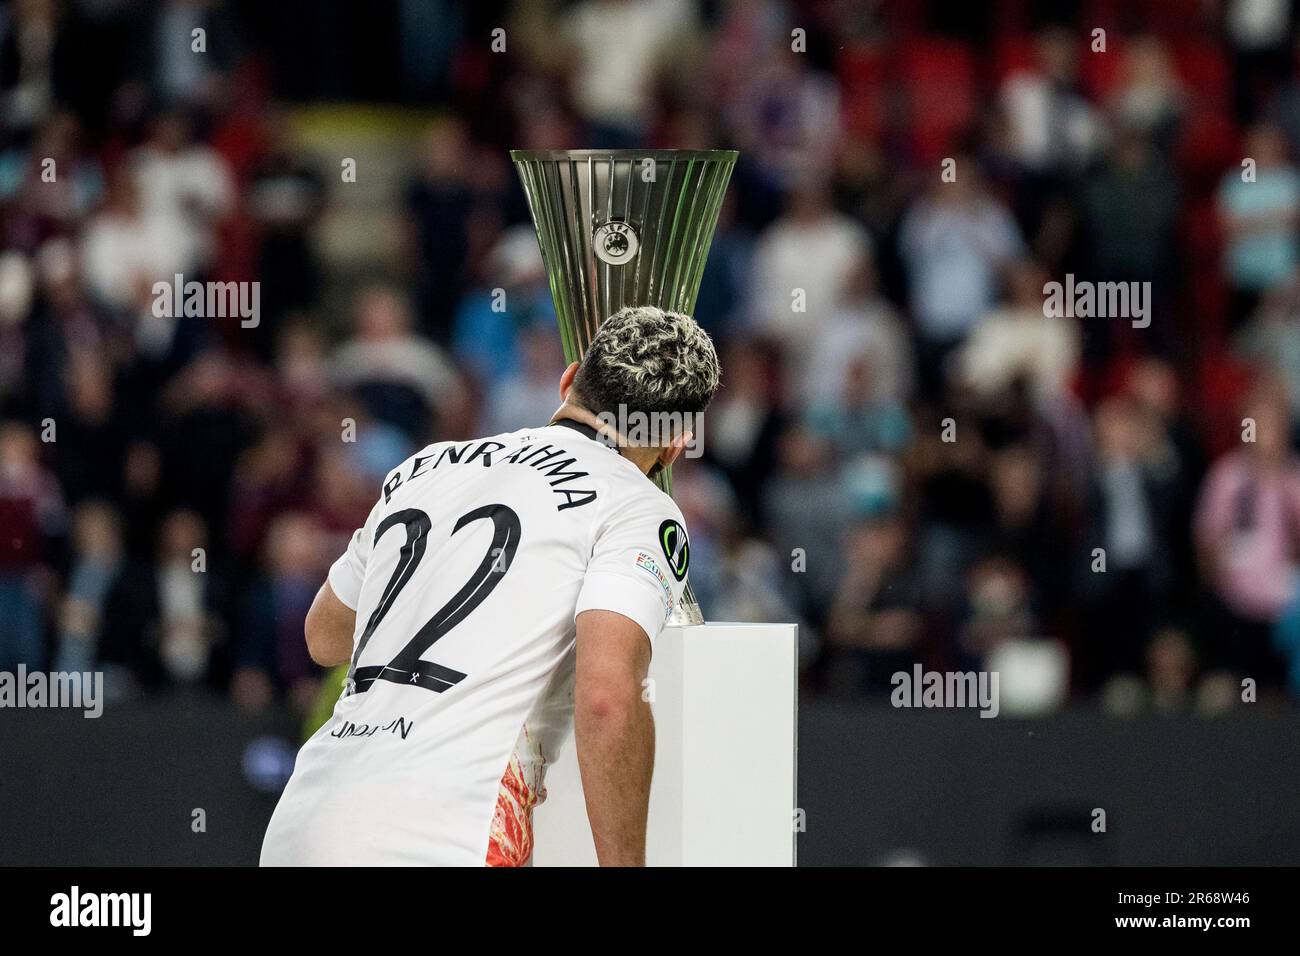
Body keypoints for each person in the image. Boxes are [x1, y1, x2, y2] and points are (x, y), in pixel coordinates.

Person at [261, 305, 721, 866]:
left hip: (304, 819)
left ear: (570, 379)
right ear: (675, 443)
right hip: (443, 832)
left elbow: (324, 636)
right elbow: (606, 697)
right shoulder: (637, 506)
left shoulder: (425, 467)